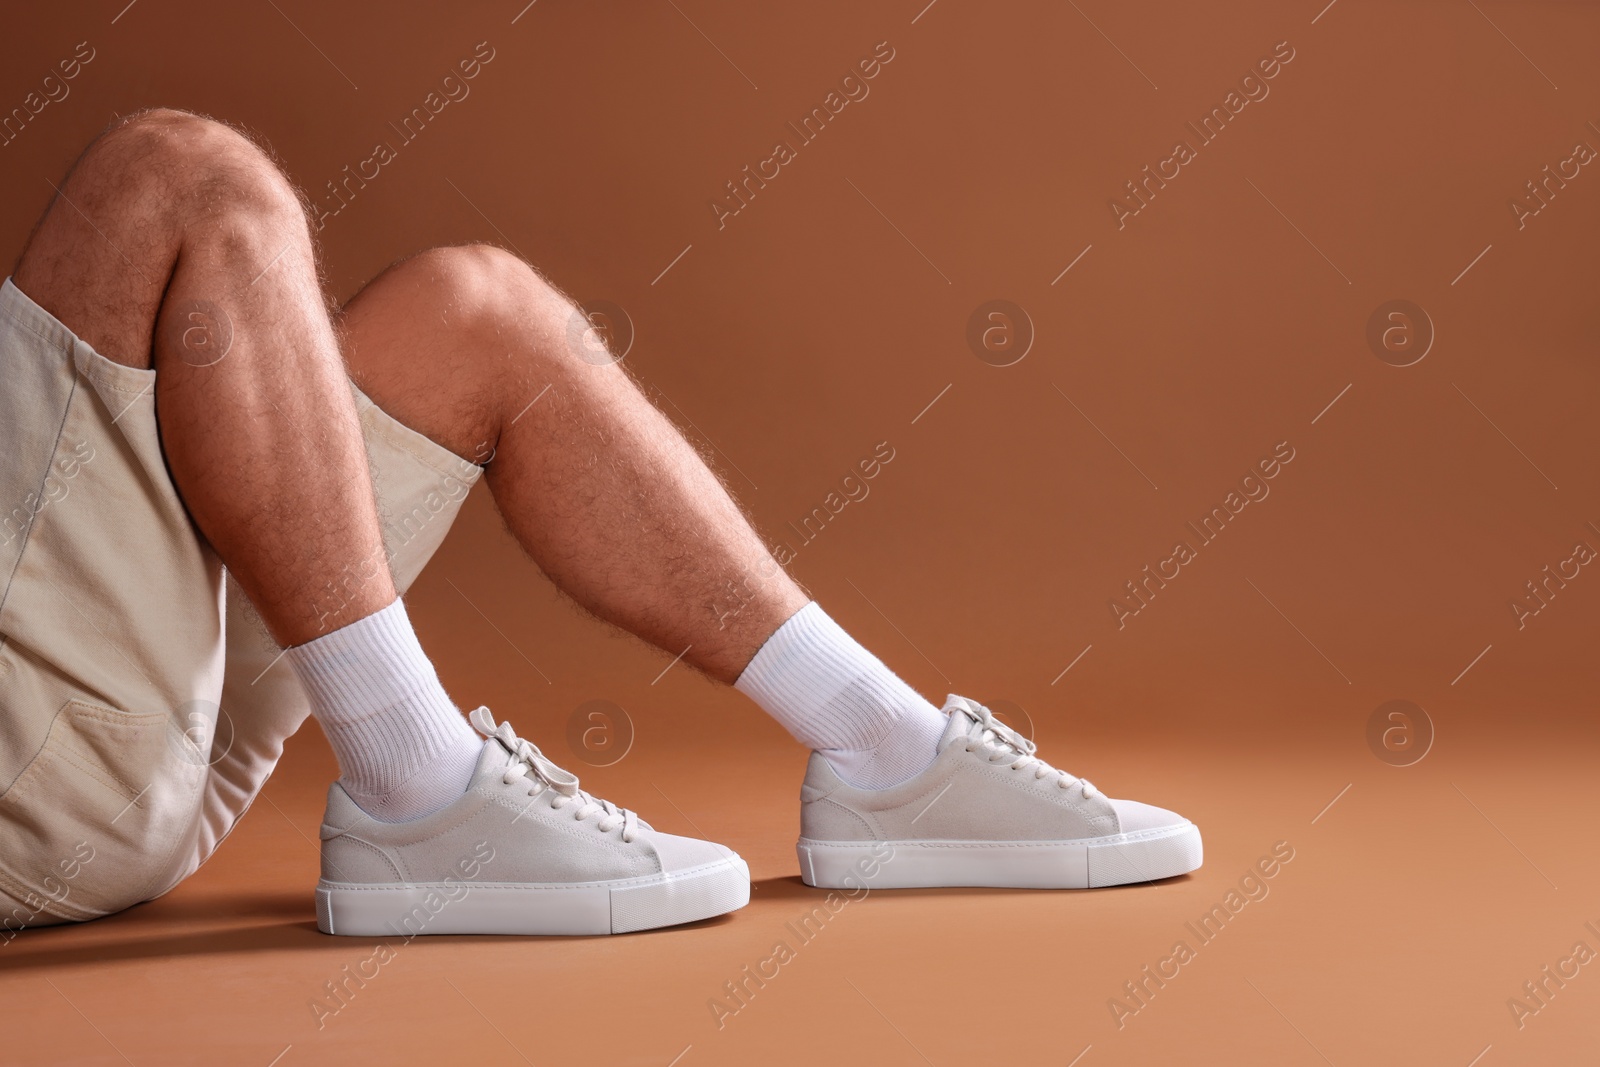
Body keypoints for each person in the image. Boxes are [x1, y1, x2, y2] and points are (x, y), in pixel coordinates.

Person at [0, 109, 1200, 939]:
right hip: (32, 780)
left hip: (118, 733)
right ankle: (416, 789)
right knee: (175, 172)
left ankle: (889, 757)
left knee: (475, 309)